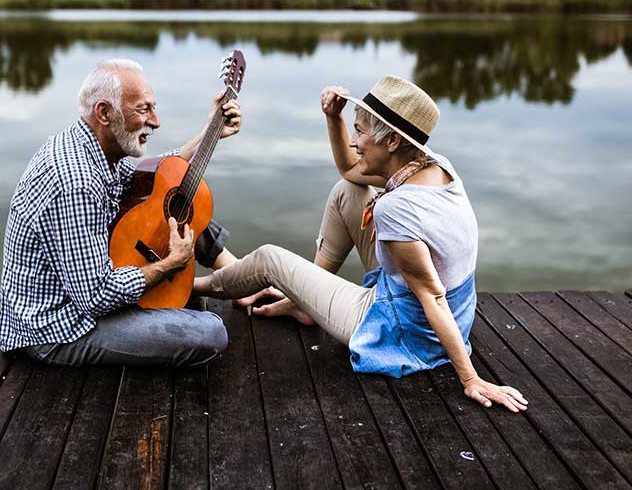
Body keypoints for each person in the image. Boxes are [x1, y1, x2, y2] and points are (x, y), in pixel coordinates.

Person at [194, 75, 528, 412]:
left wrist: (471, 379)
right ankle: (303, 302)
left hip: (404, 331)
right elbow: (350, 172)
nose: (354, 141)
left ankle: (193, 287)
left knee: (268, 259)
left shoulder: (397, 208)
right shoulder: (435, 165)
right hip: (445, 311)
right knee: (349, 193)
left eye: (361, 132)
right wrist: (333, 118)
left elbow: (434, 297)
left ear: (393, 141)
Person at [0, 58, 242, 368]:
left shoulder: (93, 148)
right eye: (143, 109)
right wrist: (169, 265)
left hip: (84, 299)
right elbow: (96, 298)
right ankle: (221, 284)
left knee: (176, 199)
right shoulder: (76, 182)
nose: (155, 121)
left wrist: (211, 132)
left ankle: (240, 280)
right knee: (210, 332)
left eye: (153, 108)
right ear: (104, 112)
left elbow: (160, 172)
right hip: (58, 329)